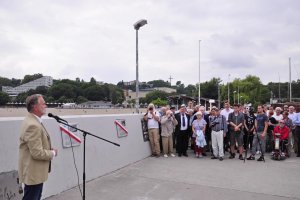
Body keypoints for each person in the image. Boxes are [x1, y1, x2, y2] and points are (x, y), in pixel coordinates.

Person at [18, 94, 58, 200]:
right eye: (43, 103)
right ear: (35, 106)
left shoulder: (32, 121)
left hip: (35, 173)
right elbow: (37, 153)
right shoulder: (33, 125)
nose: (46, 105)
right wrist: (52, 153)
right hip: (33, 174)